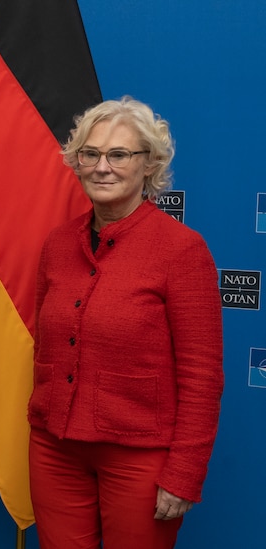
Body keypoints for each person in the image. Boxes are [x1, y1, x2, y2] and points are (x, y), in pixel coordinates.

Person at [27, 96, 224, 549]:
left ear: (149, 164)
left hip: (141, 458)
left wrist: (185, 472)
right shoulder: (57, 245)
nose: (101, 166)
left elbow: (202, 375)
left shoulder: (181, 249)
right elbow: (46, 343)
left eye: (118, 154)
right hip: (55, 449)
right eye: (90, 154)